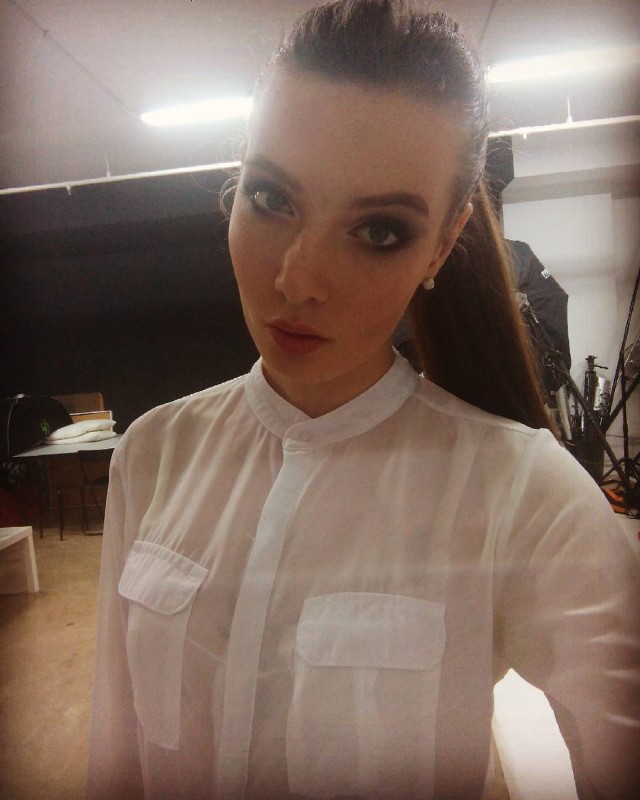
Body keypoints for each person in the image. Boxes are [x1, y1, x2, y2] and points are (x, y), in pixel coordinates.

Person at [86, 2, 639, 798]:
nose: (298, 281)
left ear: (441, 246)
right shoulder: (153, 454)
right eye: (271, 198)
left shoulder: (523, 493)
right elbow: (117, 752)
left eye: (379, 231)